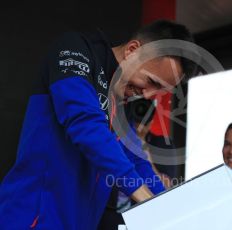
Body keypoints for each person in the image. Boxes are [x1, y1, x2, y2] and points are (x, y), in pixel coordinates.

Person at [0, 20, 196, 229]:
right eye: (151, 82)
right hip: (33, 218)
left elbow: (137, 160)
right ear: (132, 50)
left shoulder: (122, 101)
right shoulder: (75, 48)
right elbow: (84, 123)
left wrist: (172, 208)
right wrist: (144, 197)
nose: (148, 95)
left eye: (159, 90)